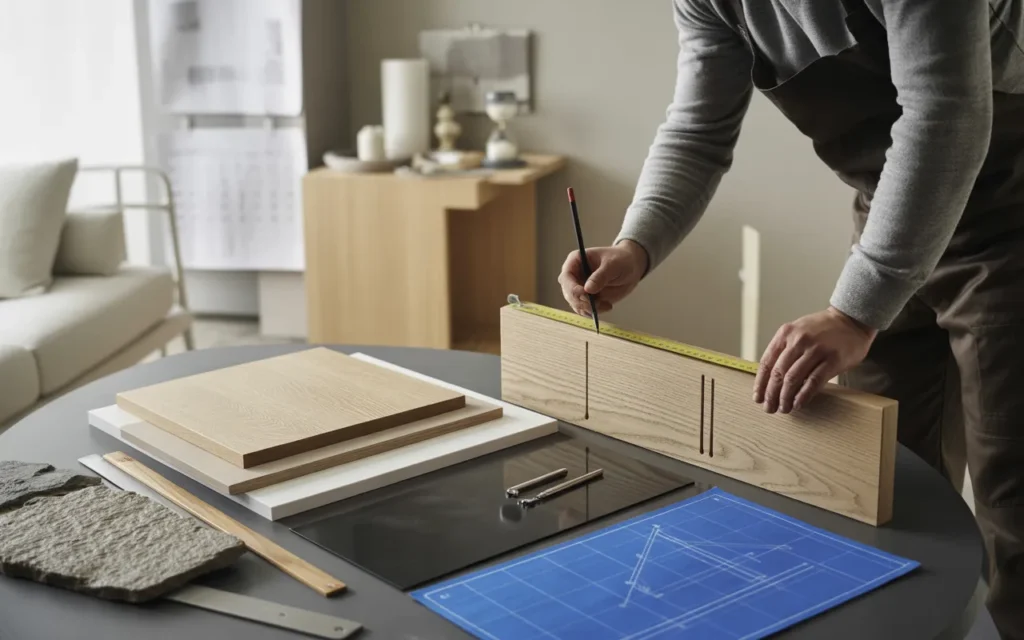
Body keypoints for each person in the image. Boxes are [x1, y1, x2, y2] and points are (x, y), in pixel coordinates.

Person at [558, 1, 1024, 636]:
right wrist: (635, 247)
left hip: (1012, 212)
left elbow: (950, 114)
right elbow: (698, 129)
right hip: (896, 209)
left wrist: (854, 313)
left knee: (1013, 510)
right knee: (882, 487)